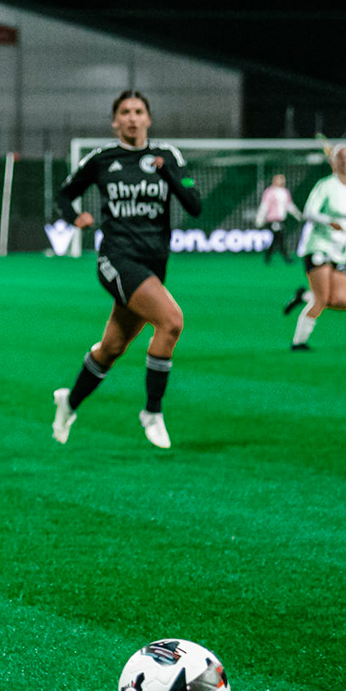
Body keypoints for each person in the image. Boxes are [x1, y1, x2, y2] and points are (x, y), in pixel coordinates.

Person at [49, 90, 203, 449]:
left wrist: (174, 177)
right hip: (116, 259)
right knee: (171, 321)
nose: (132, 118)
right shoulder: (103, 158)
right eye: (125, 112)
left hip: (154, 262)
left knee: (111, 348)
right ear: (115, 121)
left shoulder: (167, 156)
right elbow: (63, 195)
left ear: (148, 118)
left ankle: (68, 404)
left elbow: (194, 203)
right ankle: (152, 412)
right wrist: (75, 217)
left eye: (138, 111)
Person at [283, 142, 346, 350]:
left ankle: (303, 296)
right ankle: (298, 342)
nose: (345, 160)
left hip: (339, 251)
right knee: (321, 300)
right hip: (318, 246)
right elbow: (308, 212)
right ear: (332, 161)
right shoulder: (325, 185)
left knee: (344, 300)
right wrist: (329, 221)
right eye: (341, 157)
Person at [254, 172, 300, 265]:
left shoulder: (285, 192)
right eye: (280, 179)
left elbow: (289, 206)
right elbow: (264, 206)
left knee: (277, 239)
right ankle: (287, 258)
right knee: (280, 237)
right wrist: (259, 219)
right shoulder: (269, 192)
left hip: (281, 219)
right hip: (273, 220)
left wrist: (298, 215)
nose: (282, 181)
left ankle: (268, 255)